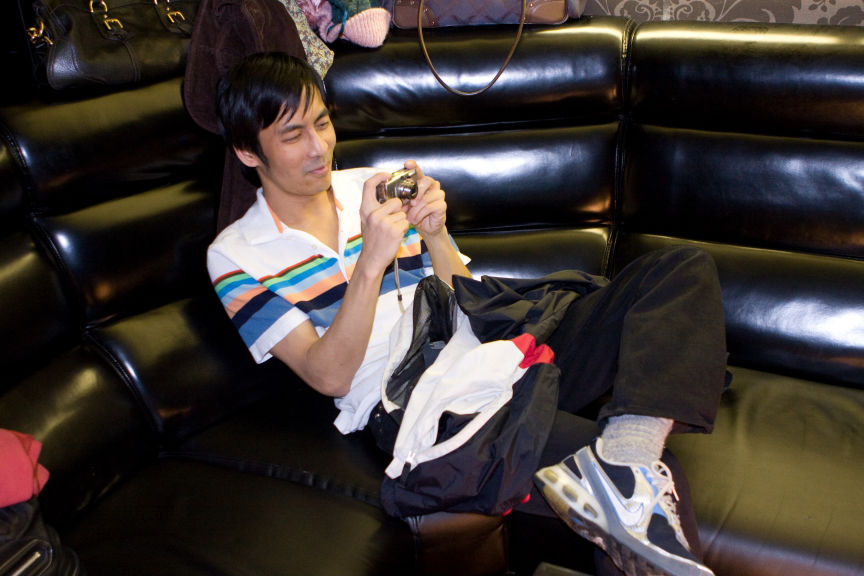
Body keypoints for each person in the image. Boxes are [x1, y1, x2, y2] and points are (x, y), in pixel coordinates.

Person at [207, 52, 728, 576]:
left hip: (498, 345)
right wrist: (369, 264)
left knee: (680, 269)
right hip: (423, 399)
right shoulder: (235, 255)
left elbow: (471, 298)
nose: (319, 148)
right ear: (248, 152)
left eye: (322, 123)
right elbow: (329, 376)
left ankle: (626, 458)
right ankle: (624, 477)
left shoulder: (370, 185)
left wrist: (435, 235)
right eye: (293, 135)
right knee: (651, 488)